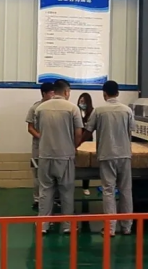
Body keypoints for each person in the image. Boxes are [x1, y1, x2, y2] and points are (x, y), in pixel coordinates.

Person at [82, 80, 135, 237]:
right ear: (118, 93)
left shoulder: (99, 111)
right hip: (124, 154)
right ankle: (127, 226)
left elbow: (88, 132)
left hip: (107, 155)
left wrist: (75, 144)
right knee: (126, 190)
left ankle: (110, 228)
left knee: (108, 190)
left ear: (104, 94)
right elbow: (132, 130)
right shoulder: (127, 110)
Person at [35, 79, 83, 234]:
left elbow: (38, 129)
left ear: (54, 91)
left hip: (45, 155)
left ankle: (43, 225)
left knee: (45, 190)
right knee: (66, 191)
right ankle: (67, 225)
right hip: (65, 156)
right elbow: (78, 132)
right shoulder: (72, 108)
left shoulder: (40, 108)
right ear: (67, 92)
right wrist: (73, 146)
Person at [25, 82, 55, 208]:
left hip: (54, 146)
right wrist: (41, 137)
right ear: (44, 94)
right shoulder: (35, 108)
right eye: (51, 93)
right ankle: (37, 199)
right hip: (39, 146)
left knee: (53, 173)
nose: (53, 95)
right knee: (38, 174)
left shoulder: (56, 107)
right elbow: (30, 128)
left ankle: (54, 199)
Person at [77, 92, 94, 196]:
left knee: (87, 163)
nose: (81, 103)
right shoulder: (75, 111)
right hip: (77, 139)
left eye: (84, 102)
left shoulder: (92, 112)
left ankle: (86, 186)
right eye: (80, 101)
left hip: (88, 140)